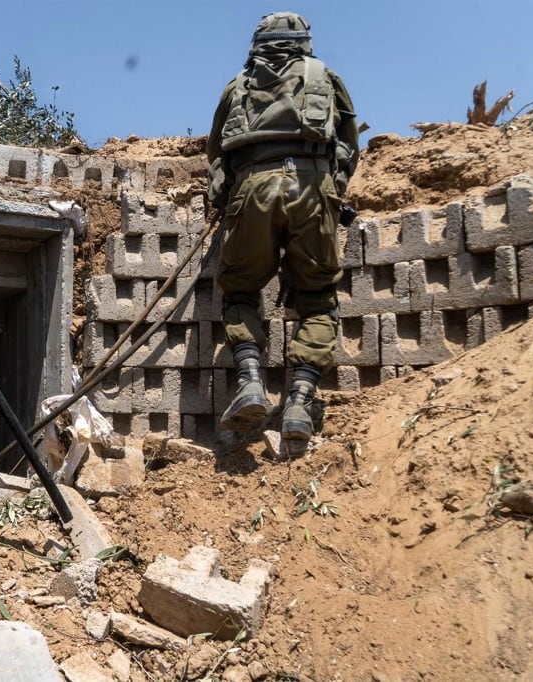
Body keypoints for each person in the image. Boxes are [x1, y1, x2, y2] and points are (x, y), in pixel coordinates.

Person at [205, 11, 359, 441]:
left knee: (240, 290)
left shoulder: (237, 86)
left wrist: (226, 200)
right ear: (304, 43)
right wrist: (331, 192)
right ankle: (299, 403)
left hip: (252, 188)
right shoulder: (325, 78)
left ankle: (250, 381)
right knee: (317, 297)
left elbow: (217, 155)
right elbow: (348, 147)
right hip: (313, 187)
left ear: (257, 46)